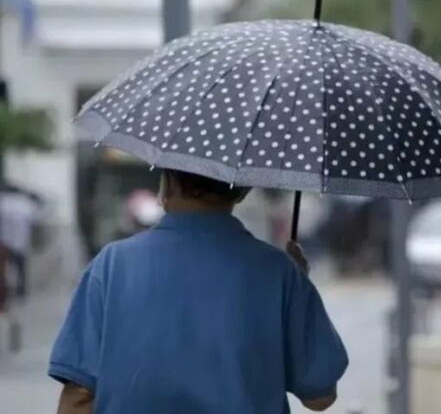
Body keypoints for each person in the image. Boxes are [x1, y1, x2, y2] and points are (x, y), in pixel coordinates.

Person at [50, 169, 348, 414]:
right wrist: (299, 281)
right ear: (242, 191)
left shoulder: (111, 265)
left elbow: (79, 394)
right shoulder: (279, 273)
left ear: (167, 181)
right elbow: (320, 396)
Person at [0, 185, 39, 298]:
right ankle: (20, 290)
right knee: (21, 269)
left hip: (6, 242)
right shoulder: (26, 205)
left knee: (5, 269)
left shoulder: (4, 203)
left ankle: (6, 291)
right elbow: (36, 219)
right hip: (21, 241)